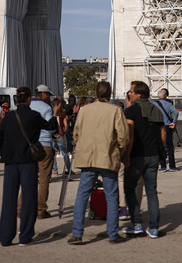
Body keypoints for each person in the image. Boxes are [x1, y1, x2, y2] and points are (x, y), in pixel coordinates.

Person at [0, 86, 59, 246]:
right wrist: (55, 113)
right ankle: (25, 235)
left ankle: (5, 236)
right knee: (29, 197)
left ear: (17, 100)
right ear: (29, 99)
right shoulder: (34, 116)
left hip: (11, 161)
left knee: (8, 199)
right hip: (28, 161)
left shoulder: (9, 117)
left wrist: (6, 150)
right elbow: (51, 127)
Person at [69, 81, 130, 245]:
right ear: (109, 94)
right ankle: (112, 234)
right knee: (111, 196)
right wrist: (118, 150)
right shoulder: (116, 110)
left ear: (95, 94)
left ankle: (77, 233)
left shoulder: (84, 110)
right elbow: (123, 137)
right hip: (108, 156)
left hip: (88, 157)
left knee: (82, 195)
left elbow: (76, 132)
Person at [122, 81, 164, 238]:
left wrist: (127, 156)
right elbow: (163, 133)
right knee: (151, 191)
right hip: (153, 155)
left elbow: (130, 135)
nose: (129, 94)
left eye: (130, 92)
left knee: (129, 188)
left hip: (136, 155)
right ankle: (153, 227)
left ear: (138, 94)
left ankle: (136, 223)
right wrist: (160, 151)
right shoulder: (155, 109)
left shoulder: (131, 111)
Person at [29, 84, 56, 217]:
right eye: (48, 95)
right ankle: (40, 209)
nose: (49, 98)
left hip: (29, 145)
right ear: (43, 94)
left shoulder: (27, 105)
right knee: (44, 179)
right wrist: (55, 115)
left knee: (29, 178)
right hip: (44, 144)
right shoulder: (46, 107)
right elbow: (50, 127)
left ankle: (20, 207)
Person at [154, 88, 179, 171]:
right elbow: (176, 112)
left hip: (158, 126)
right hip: (167, 126)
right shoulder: (169, 104)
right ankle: (172, 166)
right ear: (165, 95)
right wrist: (174, 122)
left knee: (160, 146)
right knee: (169, 146)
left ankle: (163, 166)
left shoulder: (154, 104)